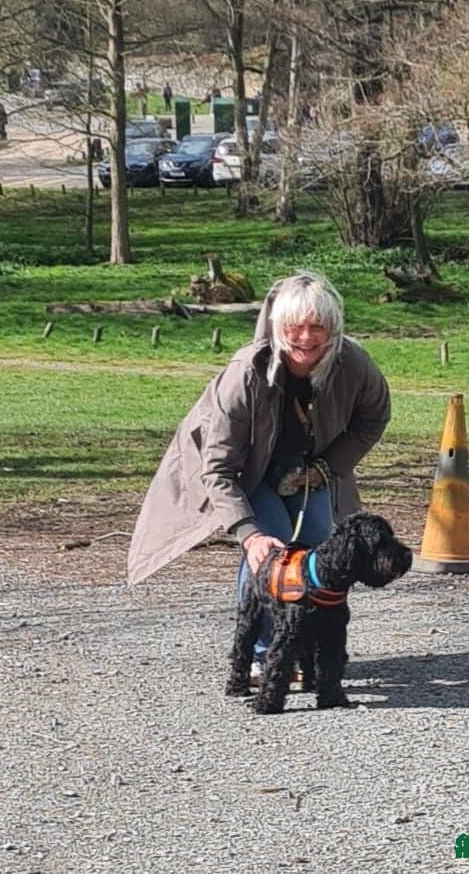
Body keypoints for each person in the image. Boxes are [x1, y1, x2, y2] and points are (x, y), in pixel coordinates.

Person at [127, 272, 391, 676]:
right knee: (272, 548)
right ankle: (260, 654)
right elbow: (217, 468)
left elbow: (374, 417)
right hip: (243, 473)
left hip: (307, 469)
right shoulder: (245, 373)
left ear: (333, 329)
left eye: (317, 326)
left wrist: (328, 467)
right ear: (277, 326)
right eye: (295, 326)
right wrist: (247, 534)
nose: (306, 337)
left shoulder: (353, 363)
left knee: (320, 543)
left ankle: (310, 649)